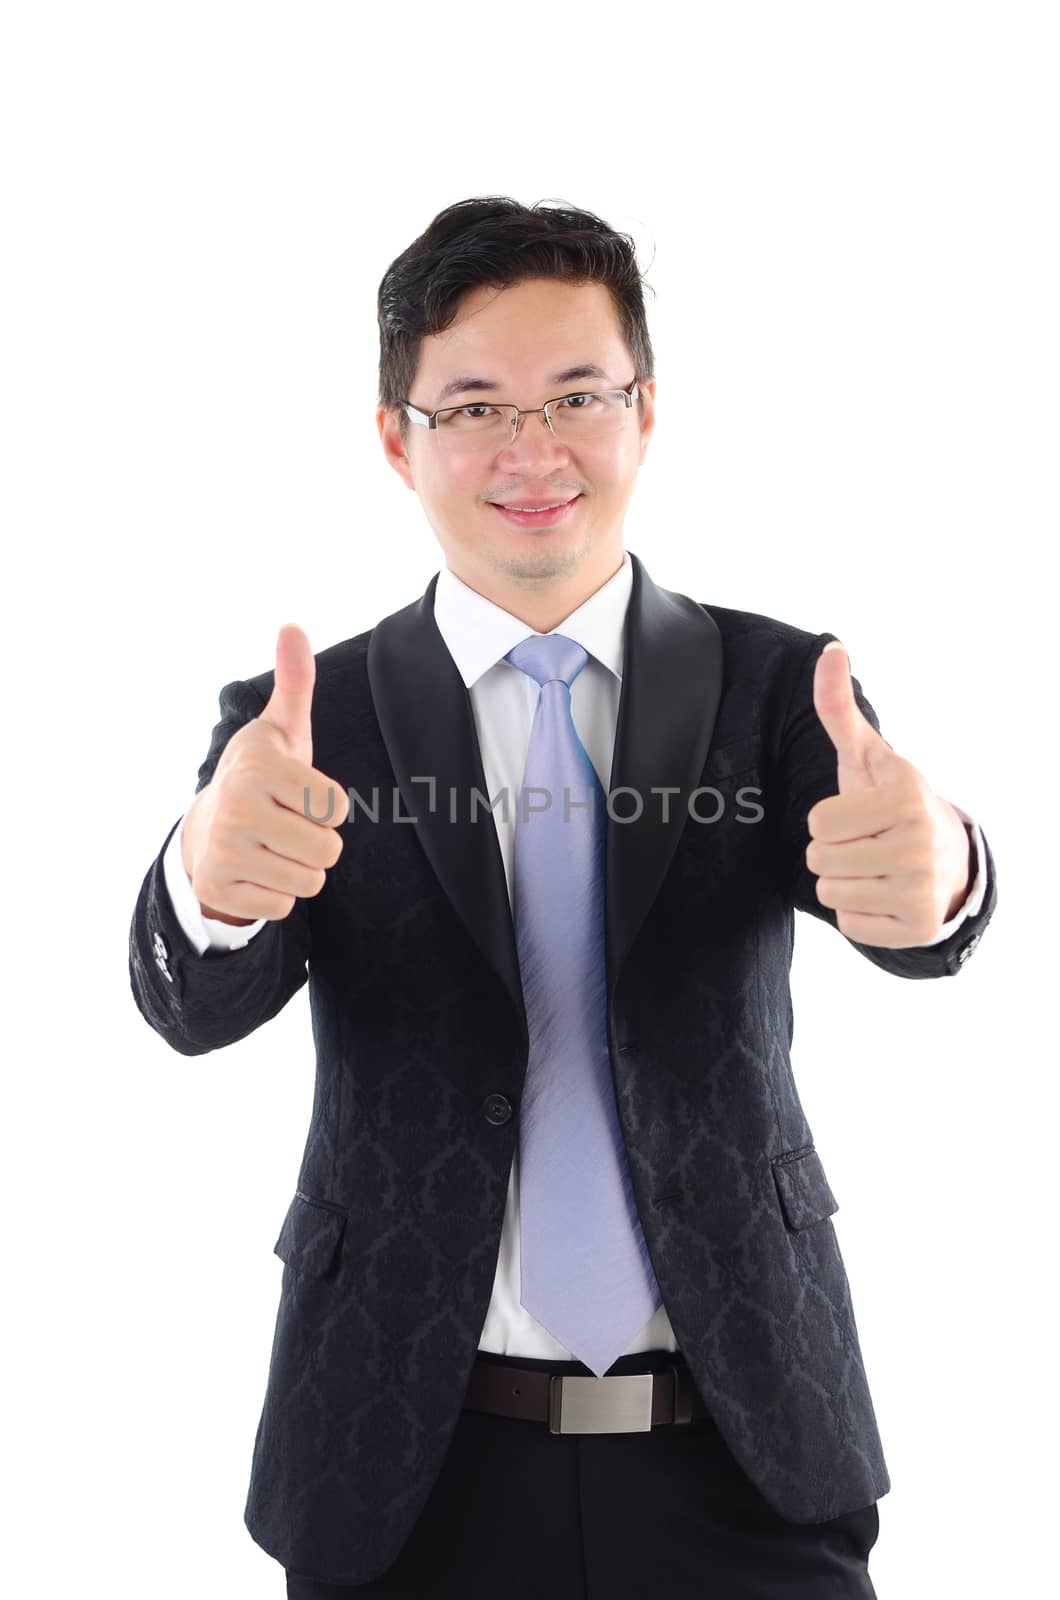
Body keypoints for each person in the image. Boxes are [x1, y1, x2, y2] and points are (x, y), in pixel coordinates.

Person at [129, 196, 996, 1597]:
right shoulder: (306, 724)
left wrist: (941, 867)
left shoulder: (780, 691)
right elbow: (190, 996)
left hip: (745, 1451)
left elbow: (912, 891)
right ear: (396, 437)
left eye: (577, 395)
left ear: (646, 414)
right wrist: (207, 886)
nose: (533, 451)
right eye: (473, 405)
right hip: (406, 1466)